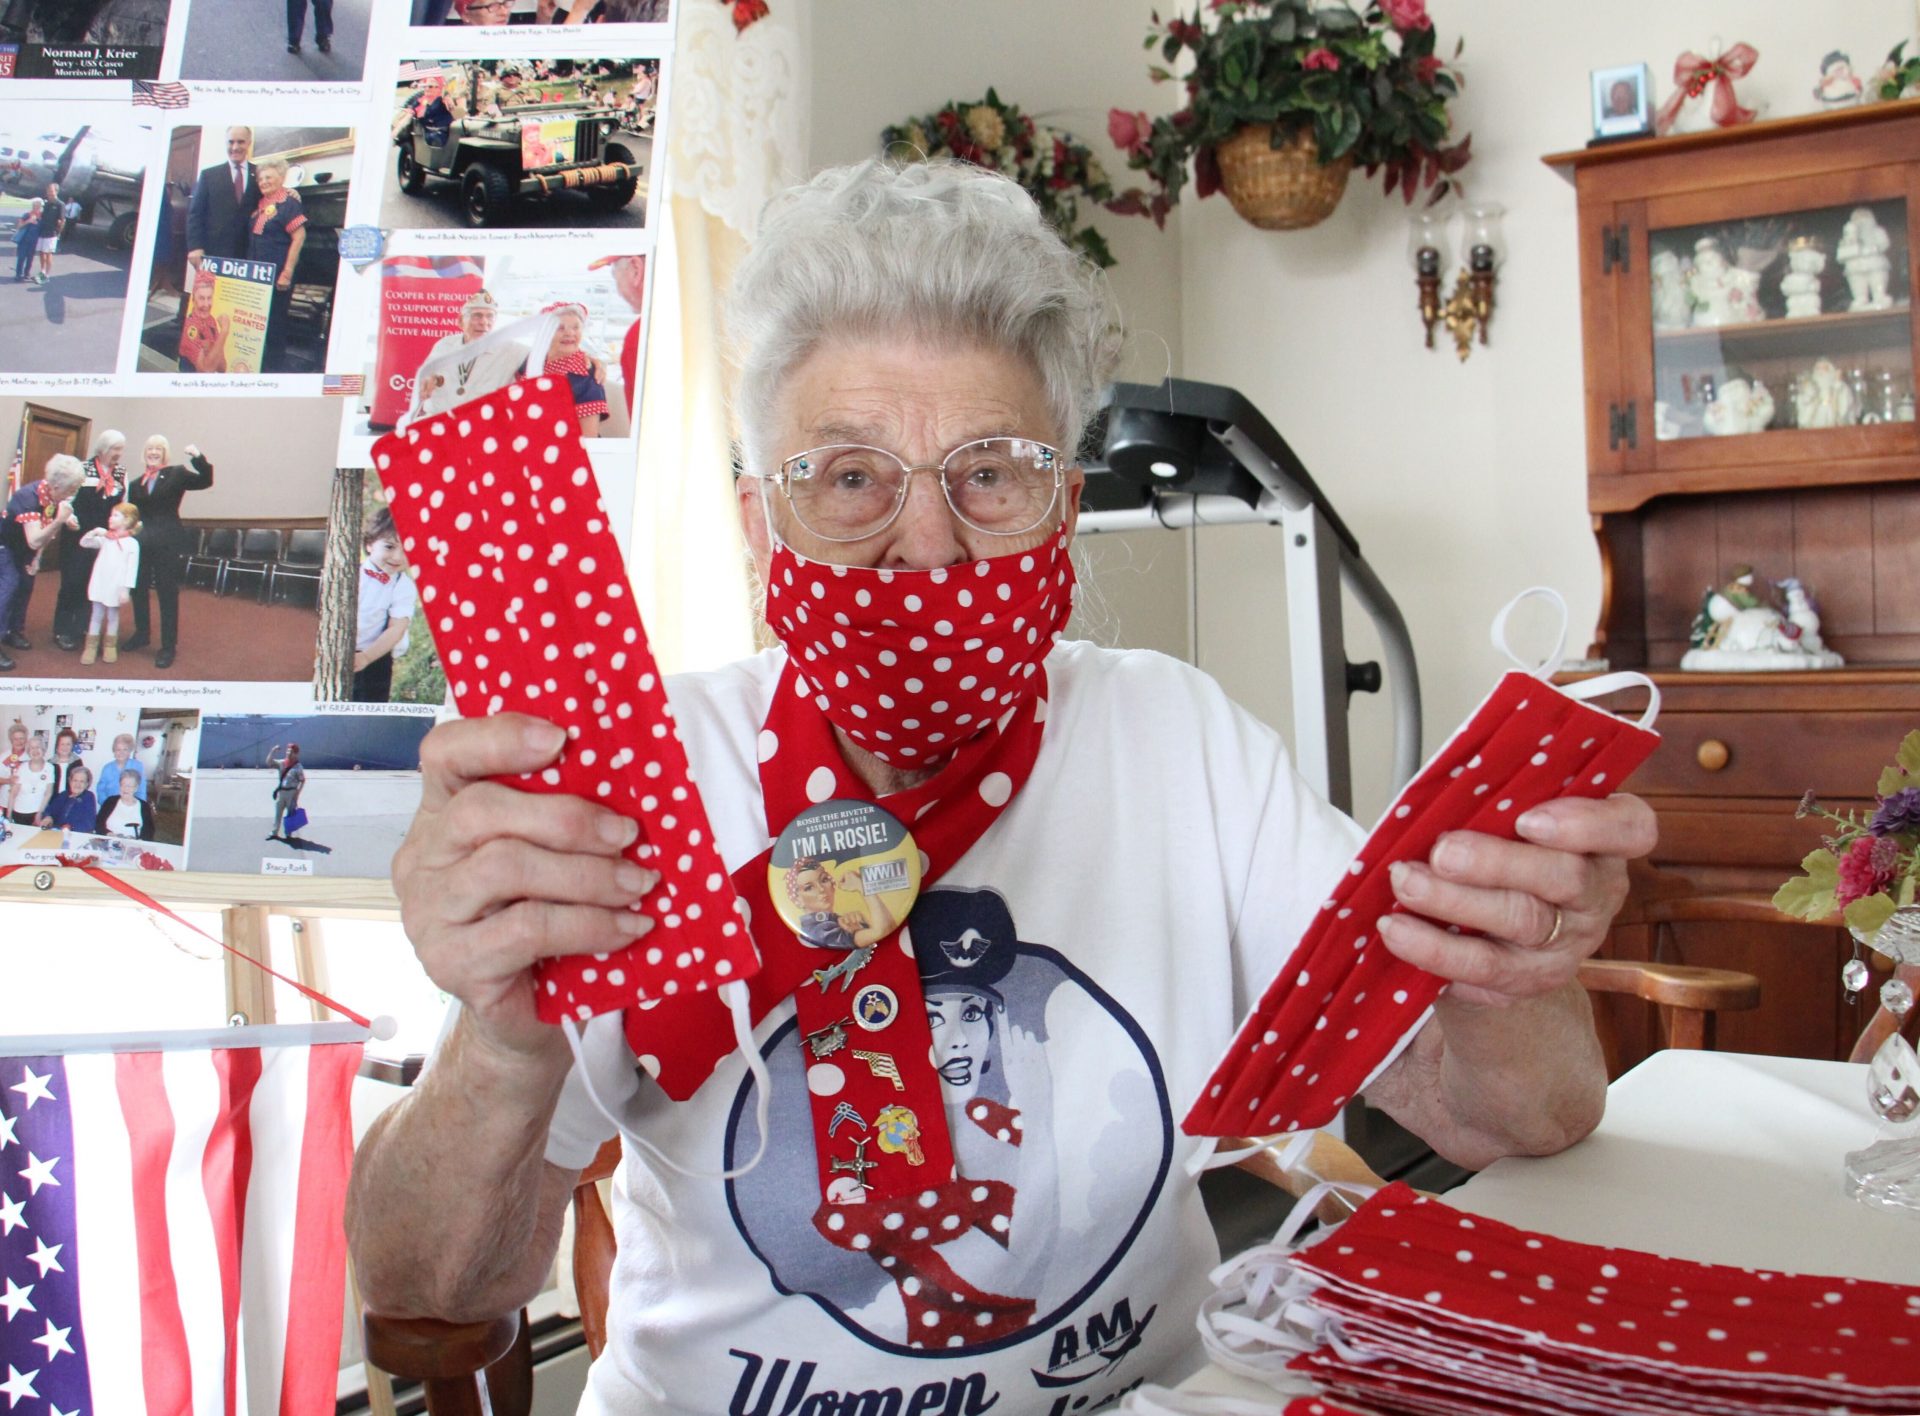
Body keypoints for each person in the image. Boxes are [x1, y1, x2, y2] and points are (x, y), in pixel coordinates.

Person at [347, 161, 1657, 1407]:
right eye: (850, 479)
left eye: (991, 474)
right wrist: (505, 1043)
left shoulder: (1176, 741)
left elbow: (1507, 1113)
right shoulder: (623, 792)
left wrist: (1505, 973)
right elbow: (421, 1285)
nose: (926, 546)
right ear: (758, 524)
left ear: (1066, 505)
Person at [124, 435, 214, 671]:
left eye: (158, 449)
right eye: (150, 448)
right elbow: (133, 515)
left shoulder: (177, 473)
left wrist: (198, 458)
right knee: (138, 589)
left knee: (166, 593)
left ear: (165, 453)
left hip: (168, 542)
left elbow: (205, 481)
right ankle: (142, 633)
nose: (153, 452)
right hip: (141, 543)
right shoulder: (134, 484)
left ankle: (168, 647)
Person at [0, 454, 84, 672]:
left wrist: (37, 559)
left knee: (25, 586)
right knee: (8, 587)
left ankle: (12, 631)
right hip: (5, 546)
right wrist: (60, 520)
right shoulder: (28, 497)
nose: (73, 494)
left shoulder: (53, 498)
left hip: (25, 549)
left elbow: (42, 536)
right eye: (71, 489)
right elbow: (36, 538)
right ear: (56, 486)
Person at [53, 429, 129, 652]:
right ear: (103, 449)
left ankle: (83, 628)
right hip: (77, 537)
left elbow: (124, 505)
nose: (119, 454)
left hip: (103, 539)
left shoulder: (121, 474)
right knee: (72, 582)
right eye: (116, 449)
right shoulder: (82, 469)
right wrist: (70, 520)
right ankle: (63, 629)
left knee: (92, 583)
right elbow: (66, 500)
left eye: (121, 449)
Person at [417, 290, 525, 415]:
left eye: (490, 316)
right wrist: (428, 379)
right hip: (440, 420)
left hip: (481, 424)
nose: (484, 322)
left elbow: (547, 357)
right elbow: (426, 374)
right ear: (460, 321)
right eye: (477, 316)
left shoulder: (511, 349)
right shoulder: (445, 344)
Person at [248, 157, 308, 375]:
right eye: (261, 178)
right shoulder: (262, 204)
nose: (263, 181)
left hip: (278, 275)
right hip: (259, 275)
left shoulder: (289, 203)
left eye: (269, 177)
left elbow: (299, 237)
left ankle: (274, 369)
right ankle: (259, 363)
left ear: (282, 178)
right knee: (261, 320)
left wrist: (287, 272)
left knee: (275, 322)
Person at [353, 507, 416, 702]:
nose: (397, 557)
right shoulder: (352, 573)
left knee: (370, 706)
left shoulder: (402, 585)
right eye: (389, 547)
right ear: (370, 544)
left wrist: (366, 657)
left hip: (375, 656)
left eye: (406, 549)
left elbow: (396, 629)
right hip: (337, 651)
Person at [185, 127, 258, 278]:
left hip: (248, 256)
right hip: (213, 253)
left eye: (241, 142)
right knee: (209, 301)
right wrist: (195, 247)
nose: (235, 147)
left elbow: (271, 197)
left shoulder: (259, 174)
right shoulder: (208, 175)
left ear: (249, 143)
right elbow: (195, 214)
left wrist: (290, 192)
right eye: (231, 142)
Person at [77, 501, 140, 665]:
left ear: (126, 520)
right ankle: (90, 647)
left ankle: (110, 646)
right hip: (100, 582)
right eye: (111, 515)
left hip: (116, 585)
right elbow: (84, 543)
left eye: (115, 515)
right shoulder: (106, 540)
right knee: (96, 615)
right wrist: (94, 532)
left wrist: (126, 589)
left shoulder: (132, 544)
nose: (110, 518)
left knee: (113, 615)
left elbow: (131, 569)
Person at [540, 301, 607, 437]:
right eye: (560, 328)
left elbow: (589, 438)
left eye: (576, 328)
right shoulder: (533, 362)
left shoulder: (587, 376)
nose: (569, 333)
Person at [178, 273, 231, 374]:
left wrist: (211, 348)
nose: (206, 304)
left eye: (209, 298)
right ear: (193, 300)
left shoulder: (211, 321)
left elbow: (222, 367)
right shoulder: (190, 327)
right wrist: (224, 332)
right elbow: (206, 370)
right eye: (202, 298)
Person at [5, 737, 52, 828]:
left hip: (37, 814)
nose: (35, 750)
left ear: (43, 749)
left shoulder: (49, 767)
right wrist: (8, 814)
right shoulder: (22, 767)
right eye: (32, 748)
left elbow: (48, 793)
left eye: (38, 747)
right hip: (19, 812)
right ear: (28, 752)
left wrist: (39, 813)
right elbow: (13, 793)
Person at [38, 761, 97, 834]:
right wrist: (48, 817)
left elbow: (89, 823)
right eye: (75, 780)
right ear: (70, 781)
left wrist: (70, 827)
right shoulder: (64, 794)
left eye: (82, 781)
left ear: (87, 784)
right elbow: (50, 810)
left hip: (76, 834)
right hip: (56, 832)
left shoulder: (89, 797)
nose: (77, 784)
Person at [96, 770, 155, 841]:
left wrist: (141, 841)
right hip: (108, 842)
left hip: (134, 846)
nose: (125, 789)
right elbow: (98, 823)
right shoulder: (110, 801)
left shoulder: (144, 806)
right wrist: (108, 833)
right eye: (123, 785)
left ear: (136, 788)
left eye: (129, 786)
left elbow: (149, 830)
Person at [267, 742, 305, 841]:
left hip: (291, 792)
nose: (288, 752)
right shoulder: (282, 763)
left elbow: (302, 781)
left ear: (296, 753)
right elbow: (269, 762)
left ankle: (288, 833)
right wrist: (273, 750)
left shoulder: (298, 766)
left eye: (291, 751)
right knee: (278, 813)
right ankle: (274, 832)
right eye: (287, 750)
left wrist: (297, 794)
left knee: (290, 814)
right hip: (281, 792)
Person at [94, 732, 147, 803]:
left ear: (130, 751)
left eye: (125, 749)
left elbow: (141, 789)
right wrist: (106, 805)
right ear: (114, 751)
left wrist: (141, 806)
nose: (121, 753)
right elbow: (101, 790)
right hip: (110, 805)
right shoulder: (107, 768)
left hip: (131, 805)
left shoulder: (137, 766)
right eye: (118, 750)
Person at [32, 182, 63, 287]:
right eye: (48, 191)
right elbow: (42, 217)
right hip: (42, 231)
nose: (49, 192)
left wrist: (58, 233)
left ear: (56, 191)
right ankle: (42, 272)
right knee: (41, 253)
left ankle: (47, 275)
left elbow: (62, 221)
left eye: (51, 191)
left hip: (51, 233)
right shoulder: (46, 203)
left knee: (48, 254)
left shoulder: (60, 204)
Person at [46, 727, 82, 798]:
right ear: (57, 746)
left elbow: (81, 783)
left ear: (72, 746)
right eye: (62, 744)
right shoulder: (50, 763)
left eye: (68, 744)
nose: (65, 747)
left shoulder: (77, 762)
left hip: (71, 798)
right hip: (52, 800)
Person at [10, 196, 39, 283]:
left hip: (33, 242)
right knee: (21, 258)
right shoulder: (27, 215)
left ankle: (26, 273)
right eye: (35, 207)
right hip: (24, 241)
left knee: (30, 259)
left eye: (38, 207)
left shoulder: (41, 218)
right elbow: (19, 226)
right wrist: (29, 221)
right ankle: (18, 274)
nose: (36, 209)